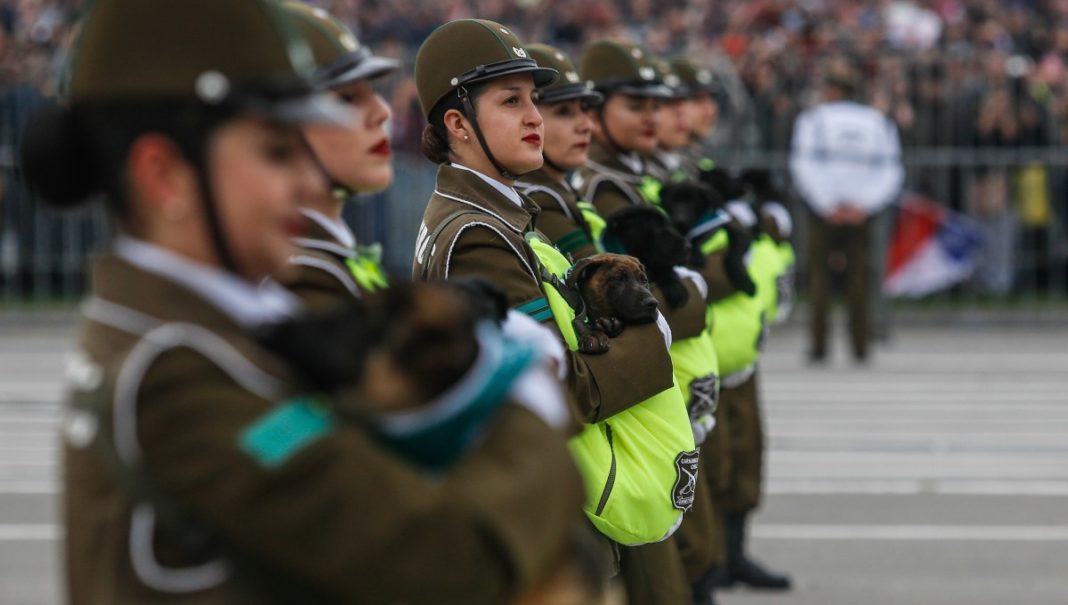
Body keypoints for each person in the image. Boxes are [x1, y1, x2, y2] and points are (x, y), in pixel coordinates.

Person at [21, 1, 586, 602]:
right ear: (165, 176)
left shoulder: (194, 337)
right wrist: (529, 402)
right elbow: (444, 558)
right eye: (276, 153)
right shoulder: (176, 373)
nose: (309, 183)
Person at [411, 21, 695, 603]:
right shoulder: (476, 235)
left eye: (534, 99)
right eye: (511, 101)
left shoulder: (495, 216)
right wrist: (653, 336)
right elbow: (562, 389)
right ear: (457, 125)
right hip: (533, 523)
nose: (534, 116)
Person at [574, 40, 709, 605]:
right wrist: (698, 286)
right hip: (627, 401)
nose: (655, 117)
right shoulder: (592, 190)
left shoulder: (613, 181)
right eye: (637, 105)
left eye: (659, 104)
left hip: (663, 384)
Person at [277, 1, 398, 307]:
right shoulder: (303, 276)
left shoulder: (329, 254)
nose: (382, 112)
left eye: (374, 91)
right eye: (346, 99)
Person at [789, 63, 904, 362]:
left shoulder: (813, 120)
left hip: (823, 212)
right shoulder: (876, 121)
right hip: (861, 213)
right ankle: (861, 346)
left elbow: (803, 165)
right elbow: (890, 169)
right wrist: (863, 204)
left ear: (832, 89)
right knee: (861, 279)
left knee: (818, 279)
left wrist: (828, 204)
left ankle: (819, 345)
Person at [514, 43, 604, 261]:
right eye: (564, 112)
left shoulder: (558, 188)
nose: (586, 126)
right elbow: (609, 289)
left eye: (584, 109)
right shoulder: (538, 201)